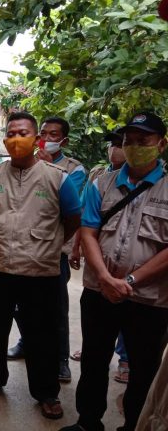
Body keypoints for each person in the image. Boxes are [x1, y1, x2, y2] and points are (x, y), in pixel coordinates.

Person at [0, 111, 81, 421]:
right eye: (11, 133)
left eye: (23, 133)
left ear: (37, 139)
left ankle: (46, 392)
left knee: (41, 333)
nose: (16, 139)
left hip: (39, 270)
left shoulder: (57, 178)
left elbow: (73, 219)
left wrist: (48, 244)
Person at [61, 111, 168, 431]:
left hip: (149, 299)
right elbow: (89, 231)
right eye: (128, 141)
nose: (133, 147)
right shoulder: (102, 183)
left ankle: (134, 425)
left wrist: (130, 280)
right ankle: (88, 422)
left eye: (143, 141)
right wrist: (106, 279)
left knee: (143, 369)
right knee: (94, 359)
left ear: (161, 144)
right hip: (99, 291)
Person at [7, 116, 86, 383]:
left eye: (53, 135)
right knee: (19, 303)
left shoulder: (73, 169)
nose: (46, 139)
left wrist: (47, 167)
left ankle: (60, 359)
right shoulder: (21, 162)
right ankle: (26, 342)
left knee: (55, 307)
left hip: (53, 253)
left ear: (64, 140)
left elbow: (69, 211)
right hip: (20, 248)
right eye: (43, 133)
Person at [70, 129, 130, 385]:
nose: (115, 149)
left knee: (129, 312)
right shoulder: (98, 177)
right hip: (99, 269)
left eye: (120, 144)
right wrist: (76, 247)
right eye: (113, 144)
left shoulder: (161, 184)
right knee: (96, 324)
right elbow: (85, 218)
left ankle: (125, 359)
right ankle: (92, 349)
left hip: (136, 276)